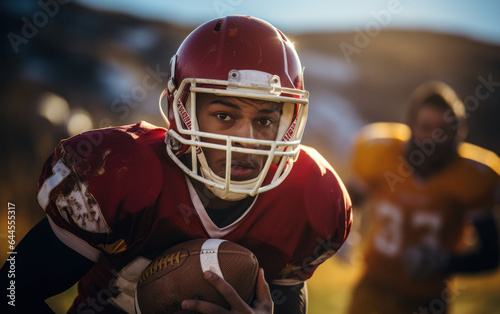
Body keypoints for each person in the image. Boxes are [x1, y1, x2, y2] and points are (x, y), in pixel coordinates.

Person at [0, 15, 352, 314]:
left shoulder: (310, 197)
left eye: (264, 120)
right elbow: (13, 292)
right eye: (225, 114)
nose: (248, 139)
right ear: (179, 111)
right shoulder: (118, 171)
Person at [347, 80, 500, 314]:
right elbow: (349, 199)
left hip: (428, 302)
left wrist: (445, 263)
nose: (433, 138)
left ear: (459, 133)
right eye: (426, 127)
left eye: (444, 131)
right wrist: (339, 237)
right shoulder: (382, 151)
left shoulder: (473, 176)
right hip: (372, 293)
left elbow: (491, 255)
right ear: (409, 126)